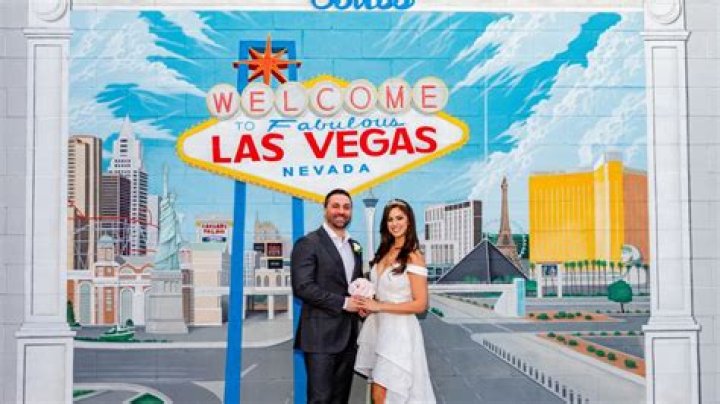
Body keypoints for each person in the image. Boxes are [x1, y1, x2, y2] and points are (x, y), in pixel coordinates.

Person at [354, 198, 436, 404]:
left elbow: (421, 304)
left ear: (409, 221)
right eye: (390, 219)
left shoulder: (414, 256)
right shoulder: (383, 252)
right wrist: (369, 307)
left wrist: (378, 306)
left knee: (383, 392)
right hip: (378, 328)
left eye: (399, 218)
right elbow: (380, 293)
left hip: (400, 332)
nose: (395, 223)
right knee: (380, 393)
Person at [291, 188, 364, 404]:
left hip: (348, 337)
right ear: (325, 210)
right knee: (320, 400)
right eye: (336, 206)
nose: (341, 211)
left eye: (346, 207)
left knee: (340, 400)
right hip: (320, 339)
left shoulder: (355, 246)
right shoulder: (308, 243)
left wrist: (362, 302)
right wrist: (344, 303)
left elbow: (354, 284)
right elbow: (303, 287)